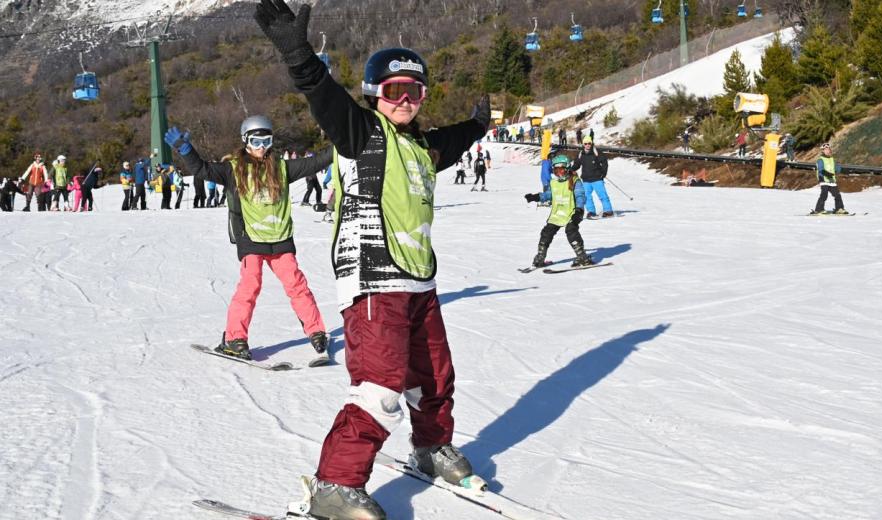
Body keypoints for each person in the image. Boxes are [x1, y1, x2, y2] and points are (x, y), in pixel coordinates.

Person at [255, 2, 489, 516]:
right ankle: (334, 484)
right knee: (381, 385)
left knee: (433, 377)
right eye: (393, 91)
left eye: (414, 92)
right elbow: (322, 96)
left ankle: (430, 446)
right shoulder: (360, 133)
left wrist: (478, 124)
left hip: (418, 280)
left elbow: (454, 138)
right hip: (371, 278)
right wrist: (298, 54)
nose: (404, 100)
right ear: (373, 94)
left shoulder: (423, 147)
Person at [165, 115, 331, 361]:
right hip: (251, 240)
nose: (261, 146)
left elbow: (317, 162)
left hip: (280, 240)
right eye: (255, 140)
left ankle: (316, 332)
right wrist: (186, 150)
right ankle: (236, 339)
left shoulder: (283, 168)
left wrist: (344, 138)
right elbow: (202, 169)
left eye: (266, 140)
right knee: (249, 287)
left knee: (297, 286)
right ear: (245, 141)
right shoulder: (233, 170)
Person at [523, 154, 594, 267]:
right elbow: (549, 195)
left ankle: (582, 256)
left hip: (573, 213)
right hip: (558, 214)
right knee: (546, 233)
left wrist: (579, 210)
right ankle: (540, 257)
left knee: (571, 231)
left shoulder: (575, 181)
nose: (559, 172)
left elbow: (580, 195)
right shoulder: (554, 183)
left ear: (567, 168)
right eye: (556, 170)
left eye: (561, 169)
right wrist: (536, 197)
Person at [572, 135, 613, 218]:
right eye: (586, 143)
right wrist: (570, 169)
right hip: (586, 179)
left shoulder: (596, 152)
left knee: (602, 195)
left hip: (597, 178)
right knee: (586, 197)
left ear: (591, 143)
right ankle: (591, 212)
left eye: (589, 143)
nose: (587, 145)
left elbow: (604, 163)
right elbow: (577, 164)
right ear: (583, 144)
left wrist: (603, 173)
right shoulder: (581, 154)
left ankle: (608, 211)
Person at [811, 143, 846, 215]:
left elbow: (836, 168)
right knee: (824, 195)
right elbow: (821, 170)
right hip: (824, 180)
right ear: (823, 151)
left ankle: (839, 208)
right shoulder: (820, 160)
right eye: (826, 149)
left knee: (837, 195)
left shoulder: (832, 159)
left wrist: (839, 168)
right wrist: (828, 174)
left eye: (829, 149)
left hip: (832, 180)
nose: (828, 151)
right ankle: (819, 209)